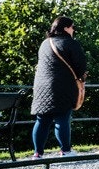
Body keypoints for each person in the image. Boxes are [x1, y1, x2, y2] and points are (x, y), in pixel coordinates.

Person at [30, 15, 87, 158]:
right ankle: (66, 150)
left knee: (42, 120)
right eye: (73, 27)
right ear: (66, 28)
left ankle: (38, 153)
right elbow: (81, 66)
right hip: (62, 85)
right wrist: (81, 78)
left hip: (41, 86)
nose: (74, 30)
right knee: (62, 118)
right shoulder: (70, 43)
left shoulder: (45, 43)